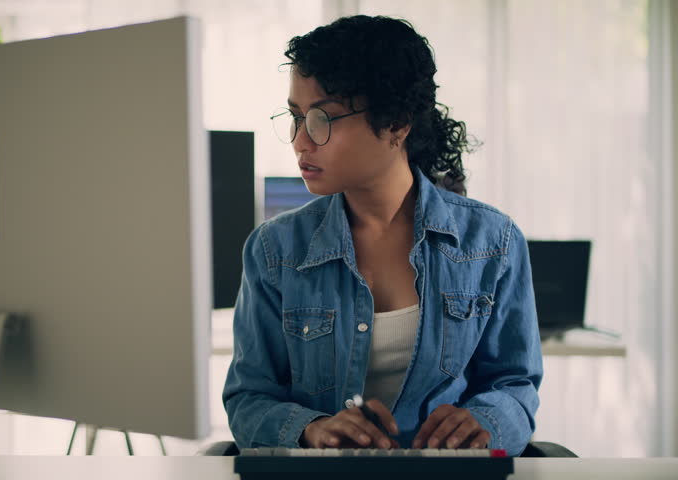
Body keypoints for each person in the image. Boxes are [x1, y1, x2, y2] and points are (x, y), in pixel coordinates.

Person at [222, 15, 542, 456]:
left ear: (397, 123)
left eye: (322, 119)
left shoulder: (494, 243)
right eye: (296, 117)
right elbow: (248, 397)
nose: (300, 141)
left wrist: (485, 420)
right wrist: (312, 429)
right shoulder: (275, 251)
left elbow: (514, 383)